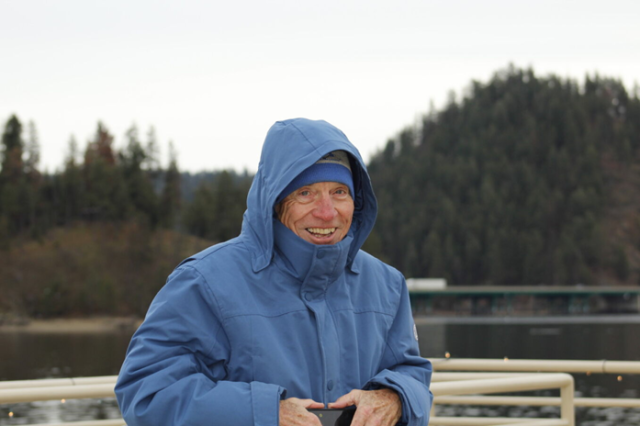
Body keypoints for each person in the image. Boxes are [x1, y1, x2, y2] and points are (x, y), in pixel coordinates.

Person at [115, 118, 433, 426]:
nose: (327, 212)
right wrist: (266, 414)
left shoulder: (387, 285)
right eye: (306, 193)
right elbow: (147, 393)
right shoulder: (204, 282)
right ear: (275, 202)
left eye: (339, 192)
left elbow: (410, 372)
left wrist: (395, 397)